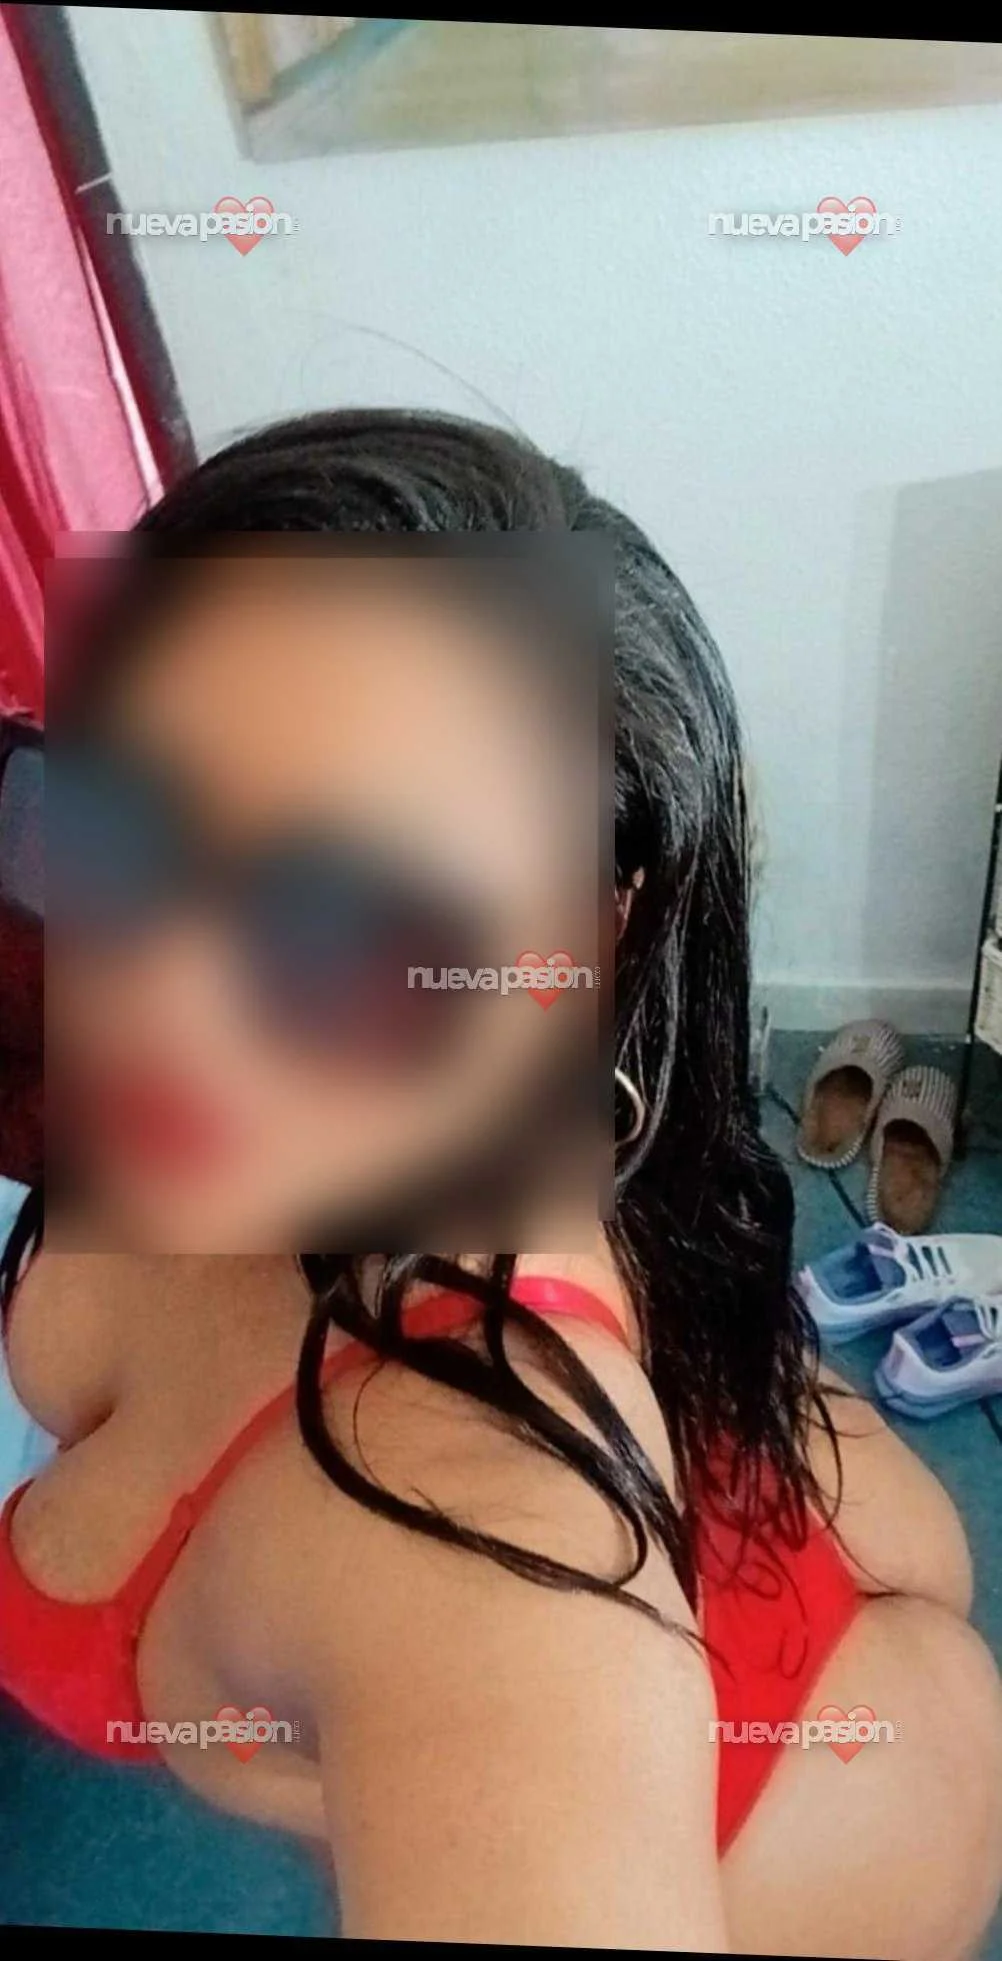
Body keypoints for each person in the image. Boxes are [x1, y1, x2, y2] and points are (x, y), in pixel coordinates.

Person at [1, 410, 1000, 1954]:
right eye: (120, 823)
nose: (167, 1007)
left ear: (592, 938)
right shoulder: (526, 1111)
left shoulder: (485, 1544)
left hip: (838, 1827)